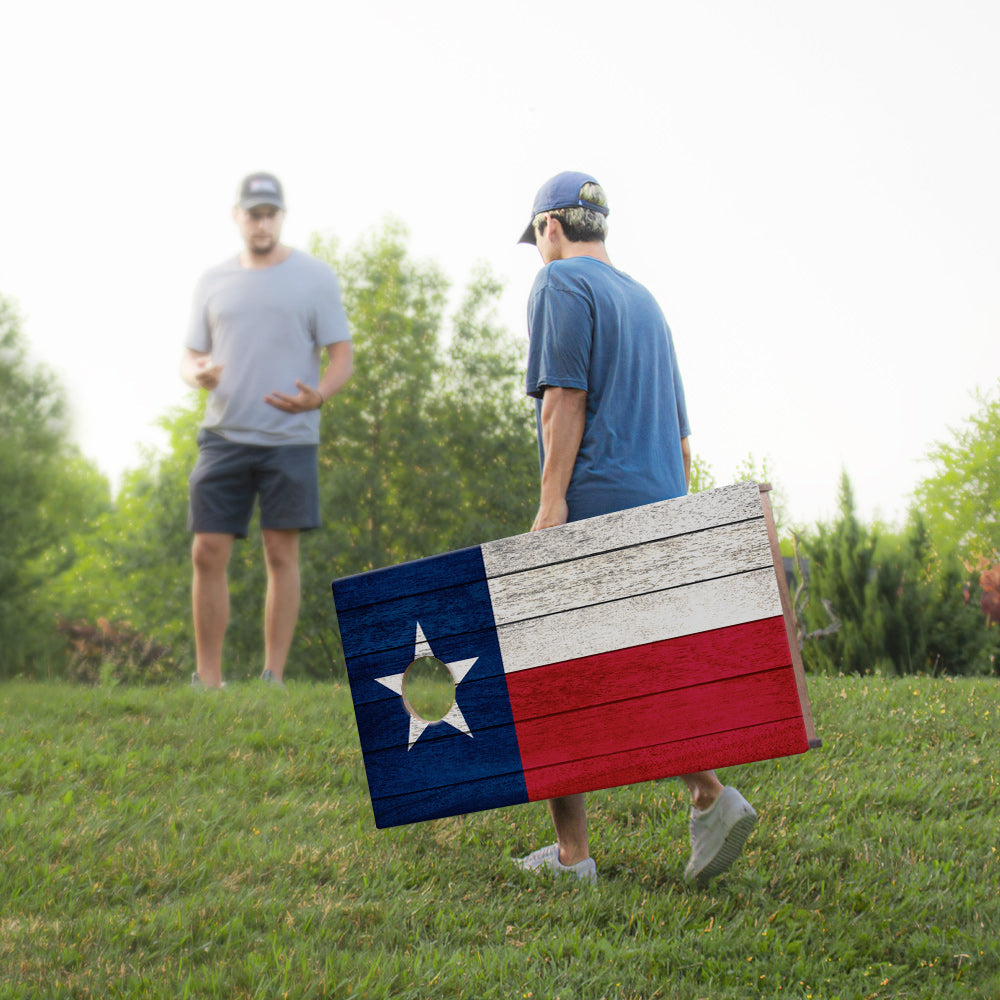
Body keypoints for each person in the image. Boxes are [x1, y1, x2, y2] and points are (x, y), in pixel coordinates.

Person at [513, 171, 757, 886]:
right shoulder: (648, 304)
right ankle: (710, 796)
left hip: (594, 495)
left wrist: (552, 502)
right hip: (662, 499)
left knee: (554, 673)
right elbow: (683, 440)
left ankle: (573, 857)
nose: (536, 249)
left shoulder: (560, 285)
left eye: (534, 236)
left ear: (551, 227)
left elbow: (565, 397)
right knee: (633, 672)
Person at [181, 172, 353, 689]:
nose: (261, 222)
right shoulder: (212, 280)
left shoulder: (315, 277)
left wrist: (318, 395)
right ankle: (208, 679)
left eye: (270, 213)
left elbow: (342, 355)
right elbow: (190, 355)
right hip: (223, 436)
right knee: (206, 550)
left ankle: (272, 676)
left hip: (289, 438)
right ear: (238, 216)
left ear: (281, 216)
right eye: (253, 213)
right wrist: (198, 373)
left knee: (281, 552)